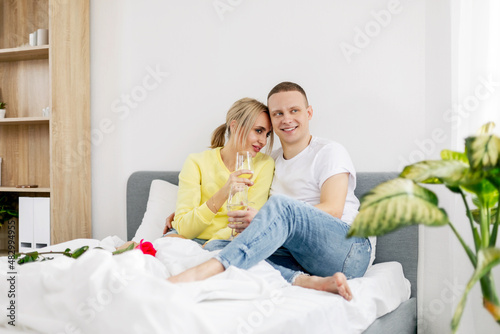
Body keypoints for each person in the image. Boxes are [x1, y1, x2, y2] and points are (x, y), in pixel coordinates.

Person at [168, 82, 373, 301]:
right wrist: (180, 218)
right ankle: (305, 281)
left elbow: (333, 210)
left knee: (280, 207)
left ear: (309, 113)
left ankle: (205, 271)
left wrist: (270, 217)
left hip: (349, 250)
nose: (286, 119)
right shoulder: (268, 162)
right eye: (278, 113)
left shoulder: (329, 151)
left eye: (294, 110)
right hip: (302, 258)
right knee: (223, 245)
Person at [119, 98, 274, 250]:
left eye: (266, 134)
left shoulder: (264, 164)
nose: (263, 141)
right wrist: (223, 192)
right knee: (161, 249)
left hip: (225, 241)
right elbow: (184, 228)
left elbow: (246, 221)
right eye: (258, 131)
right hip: (186, 238)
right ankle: (137, 248)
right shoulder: (196, 162)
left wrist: (211, 243)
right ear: (234, 126)